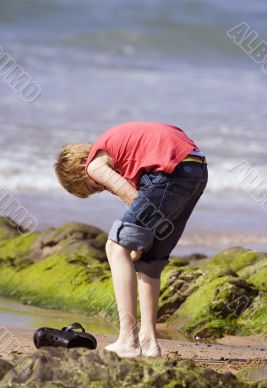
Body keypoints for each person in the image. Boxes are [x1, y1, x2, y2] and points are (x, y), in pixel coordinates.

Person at [54, 121, 208, 358]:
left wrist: (130, 241)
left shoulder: (94, 165)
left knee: (114, 247)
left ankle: (128, 338)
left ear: (79, 168)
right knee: (151, 261)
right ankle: (149, 341)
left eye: (92, 188)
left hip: (170, 173)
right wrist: (141, 240)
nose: (101, 189)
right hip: (196, 169)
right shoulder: (121, 152)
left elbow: (131, 196)